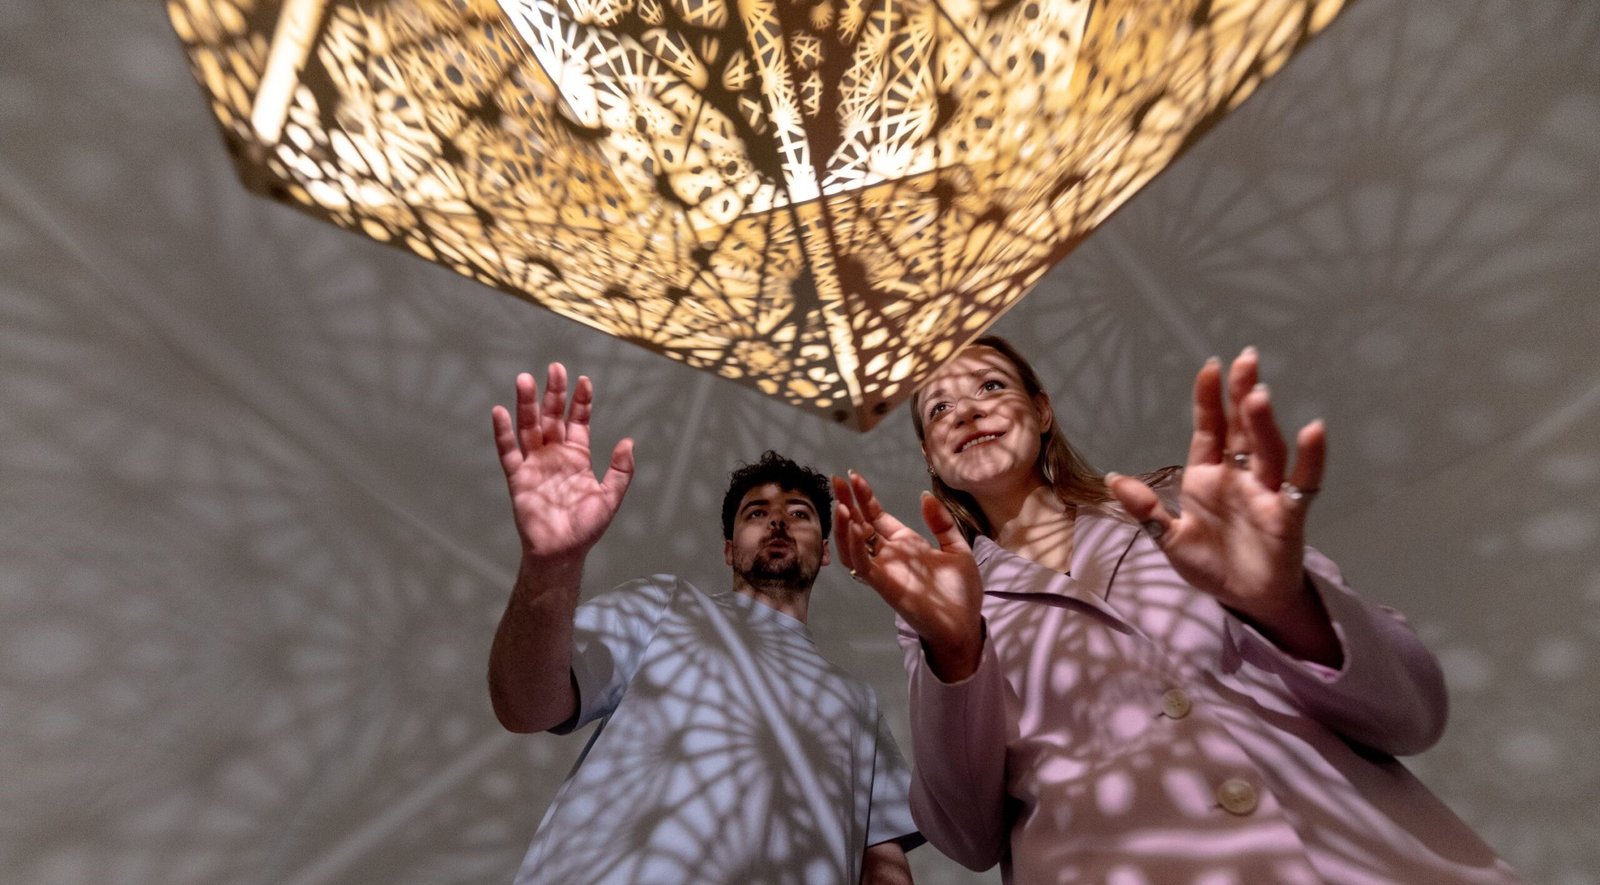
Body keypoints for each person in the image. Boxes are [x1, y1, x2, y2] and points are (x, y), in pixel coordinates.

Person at [831, 337, 1520, 883]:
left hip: (1356, 859)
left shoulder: (1180, 506)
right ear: (931, 456)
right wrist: (955, 652)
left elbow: (1411, 714)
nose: (966, 412)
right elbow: (967, 837)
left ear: (1042, 412)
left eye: (989, 387)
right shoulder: (940, 602)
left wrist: (1284, 603)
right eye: (939, 409)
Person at [486, 364, 921, 885]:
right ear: (729, 550)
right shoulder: (665, 603)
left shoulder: (858, 702)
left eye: (799, 513)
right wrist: (550, 567)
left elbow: (884, 865)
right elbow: (526, 707)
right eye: (756, 513)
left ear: (825, 551)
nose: (778, 520)